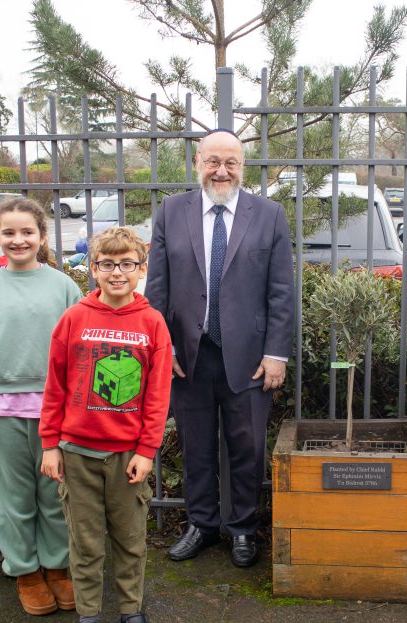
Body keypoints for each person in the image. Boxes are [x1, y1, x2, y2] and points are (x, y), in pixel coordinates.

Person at [145, 128, 295, 568]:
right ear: (198, 163)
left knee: (247, 448)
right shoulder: (171, 212)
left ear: (242, 166)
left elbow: (281, 291)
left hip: (249, 358)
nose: (221, 170)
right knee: (195, 446)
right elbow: (157, 288)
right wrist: (166, 349)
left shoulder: (268, 214)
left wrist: (276, 354)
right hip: (187, 356)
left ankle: (243, 528)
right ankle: (202, 524)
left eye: (231, 162)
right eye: (213, 161)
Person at [40, 226, 172, 623]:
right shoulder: (74, 319)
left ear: (142, 269)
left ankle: (132, 612)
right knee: (85, 542)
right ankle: (89, 618)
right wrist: (50, 444)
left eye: (127, 264)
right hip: (76, 452)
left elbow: (157, 395)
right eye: (108, 264)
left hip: (126, 457)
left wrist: (146, 450)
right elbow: (55, 386)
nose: (117, 272)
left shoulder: (152, 323)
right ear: (93, 269)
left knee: (130, 539)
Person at [0, 197, 81, 616]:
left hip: (55, 412)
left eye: (27, 231)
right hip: (2, 414)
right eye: (8, 232)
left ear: (42, 236)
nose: (18, 239)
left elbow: (80, 353)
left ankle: (57, 566)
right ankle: (25, 571)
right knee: (12, 497)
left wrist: (78, 410)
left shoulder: (64, 287)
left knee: (54, 493)